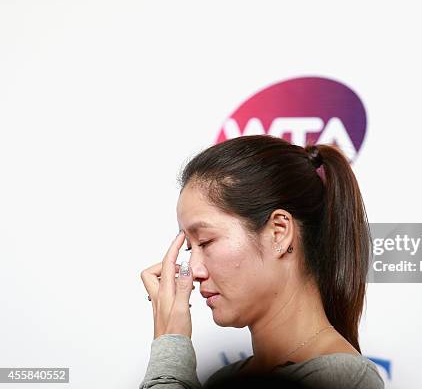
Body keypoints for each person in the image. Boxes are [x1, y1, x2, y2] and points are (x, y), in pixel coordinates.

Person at [139, 135, 384, 389]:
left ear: (278, 232)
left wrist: (170, 346)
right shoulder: (224, 379)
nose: (195, 271)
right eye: (190, 249)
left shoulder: (343, 378)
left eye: (206, 242)